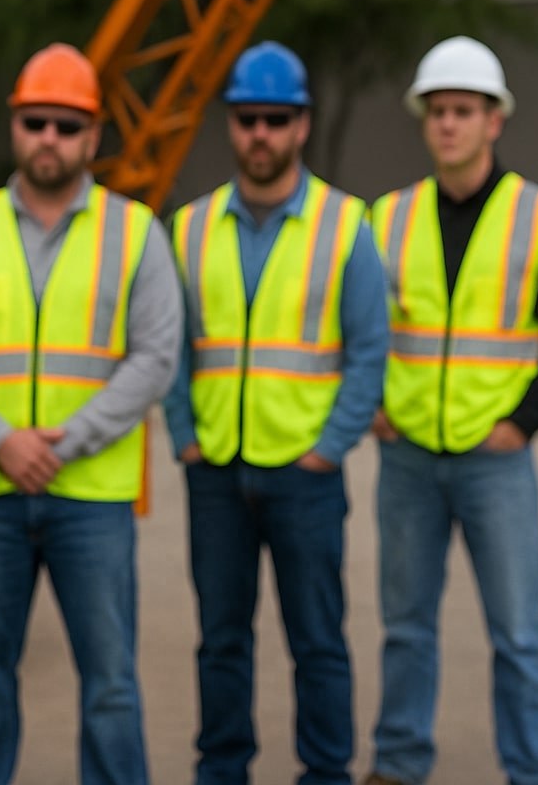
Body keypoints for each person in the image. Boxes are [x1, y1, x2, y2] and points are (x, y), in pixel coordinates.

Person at [0, 42, 181, 785]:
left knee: (111, 684)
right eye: (37, 123)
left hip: (90, 497)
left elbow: (156, 355)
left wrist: (70, 442)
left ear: (93, 136)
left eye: (68, 126)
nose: (51, 139)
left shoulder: (136, 233)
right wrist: (1, 441)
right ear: (15, 129)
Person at [363, 37, 538, 785]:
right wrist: (374, 407)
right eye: (438, 112)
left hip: (496, 461)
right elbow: (356, 327)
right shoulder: (387, 219)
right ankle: (398, 763)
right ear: (424, 122)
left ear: (495, 121)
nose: (449, 124)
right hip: (407, 458)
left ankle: (531, 772)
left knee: (519, 634)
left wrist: (522, 422)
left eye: (464, 111)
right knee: (405, 628)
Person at [163, 41, 389, 785]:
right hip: (217, 473)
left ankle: (326, 773)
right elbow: (175, 351)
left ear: (301, 126)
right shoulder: (190, 229)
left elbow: (368, 354)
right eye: (247, 118)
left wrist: (327, 449)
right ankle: (222, 770)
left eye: (276, 119)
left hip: (306, 477)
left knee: (318, 640)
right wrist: (187, 440)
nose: (260, 133)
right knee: (221, 641)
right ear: (232, 125)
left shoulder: (346, 225)